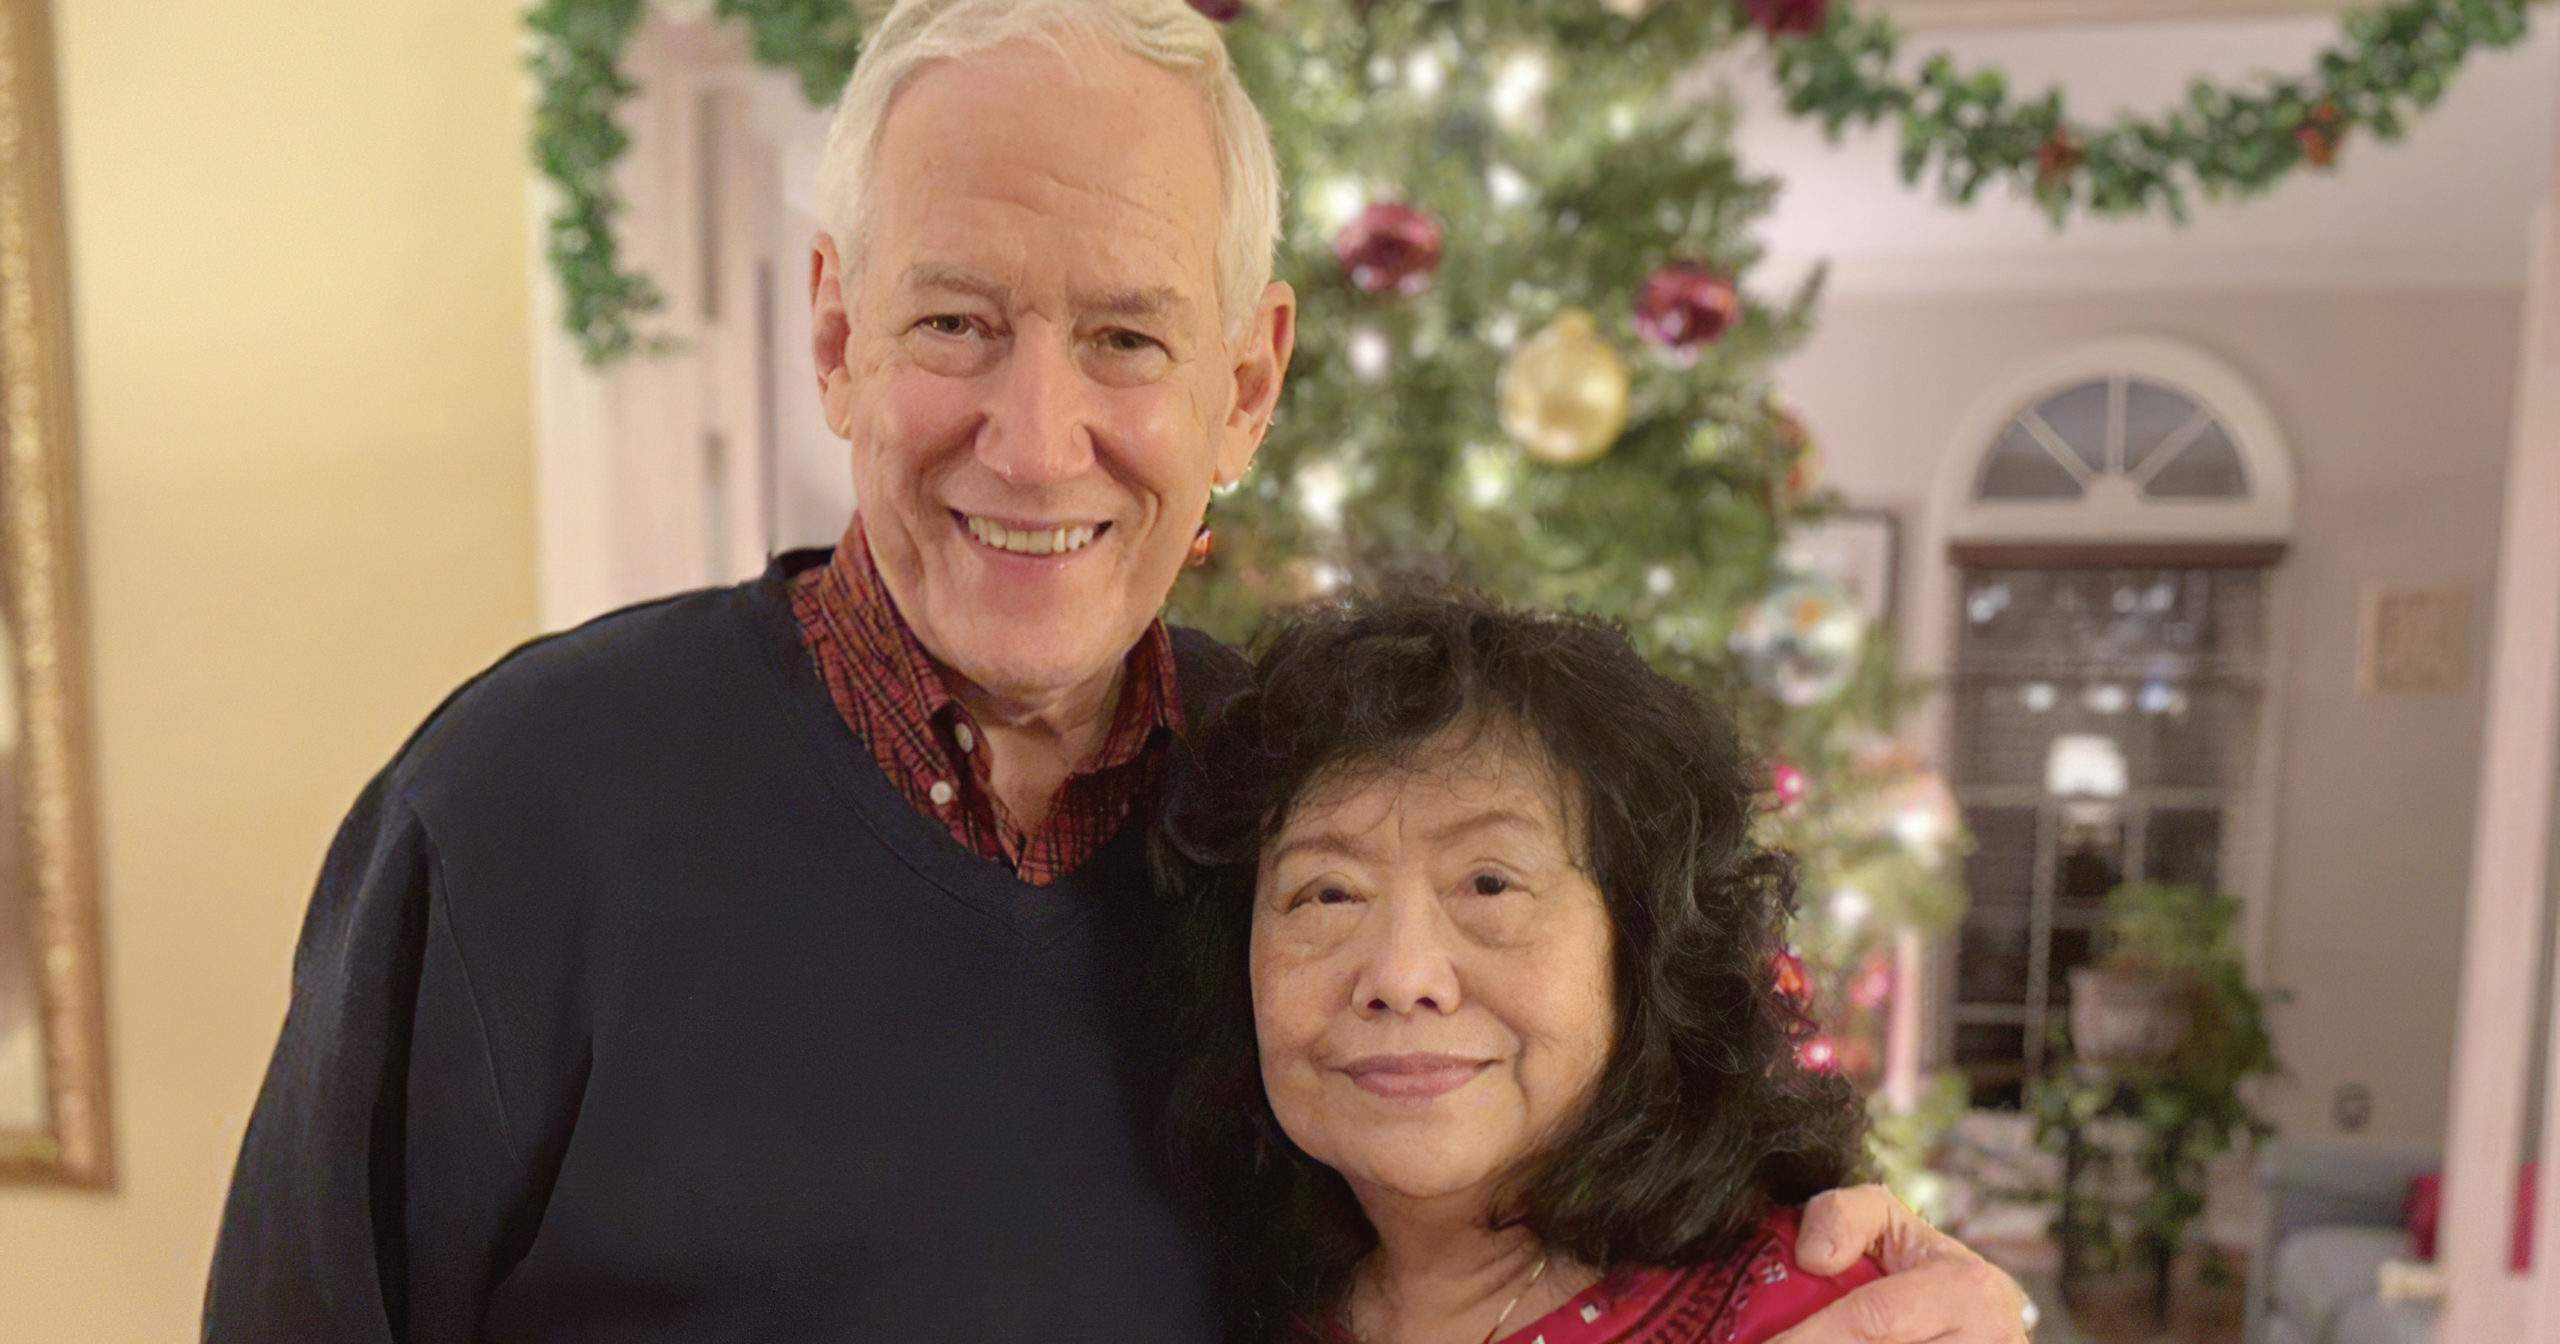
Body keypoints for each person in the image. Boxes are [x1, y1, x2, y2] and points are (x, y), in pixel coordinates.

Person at [203, 1, 2031, 1340]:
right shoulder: (520, 810)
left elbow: (1618, 1174)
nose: (1037, 435)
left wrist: (1868, 1271)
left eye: (1128, 337)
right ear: (837, 331)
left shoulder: (1311, 821)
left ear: (1247, 381)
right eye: (955, 323)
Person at [1161, 588, 1894, 1344]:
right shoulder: (1216, 1304)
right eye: (1330, 893)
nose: (1401, 976)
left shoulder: (1822, 1317)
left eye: (1489, 884)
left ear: (1641, 947)